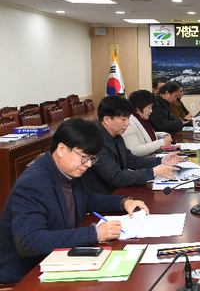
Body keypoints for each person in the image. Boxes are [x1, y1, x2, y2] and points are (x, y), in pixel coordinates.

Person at [0, 119, 149, 284]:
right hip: (29, 275)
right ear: (62, 149)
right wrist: (95, 233)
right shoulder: (33, 183)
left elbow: (87, 198)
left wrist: (122, 202)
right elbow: (29, 241)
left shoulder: (68, 170)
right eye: (85, 158)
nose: (89, 165)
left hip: (60, 259)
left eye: (92, 159)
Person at [82, 95, 185, 195]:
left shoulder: (116, 135)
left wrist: (160, 161)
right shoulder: (96, 141)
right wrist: (152, 172)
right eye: (123, 120)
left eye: (128, 119)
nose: (128, 123)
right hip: (105, 196)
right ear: (107, 120)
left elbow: (130, 160)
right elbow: (116, 177)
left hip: (119, 191)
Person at [123, 90, 172, 156]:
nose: (151, 111)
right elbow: (134, 151)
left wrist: (163, 135)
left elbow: (147, 135)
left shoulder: (141, 120)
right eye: (149, 107)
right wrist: (161, 143)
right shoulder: (129, 123)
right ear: (138, 107)